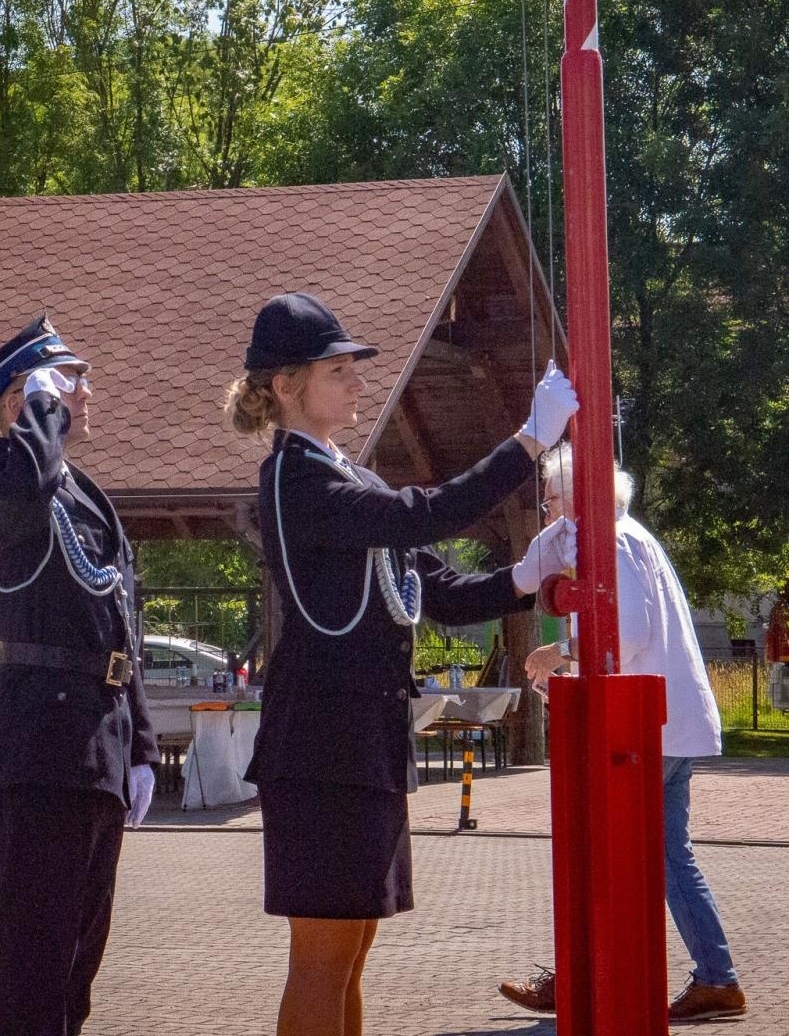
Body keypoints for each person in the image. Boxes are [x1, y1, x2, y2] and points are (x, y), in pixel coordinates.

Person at [224, 291, 579, 1036]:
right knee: (322, 955)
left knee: (353, 947)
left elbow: (439, 593)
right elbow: (428, 515)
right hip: (320, 747)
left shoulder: (351, 478)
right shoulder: (296, 478)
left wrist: (523, 579)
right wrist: (526, 443)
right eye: (338, 369)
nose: (358, 381)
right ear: (286, 386)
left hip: (361, 741)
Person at [500, 443, 746, 1023]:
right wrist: (560, 533)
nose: (545, 508)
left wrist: (557, 652)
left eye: (553, 496)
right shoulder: (621, 535)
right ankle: (714, 977)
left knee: (599, 848)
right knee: (667, 855)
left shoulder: (608, 542)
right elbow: (530, 570)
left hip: (640, 726)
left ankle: (584, 974)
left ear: (580, 496)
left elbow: (625, 633)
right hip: (668, 721)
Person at [0, 316, 160, 1036]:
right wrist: (39, 414)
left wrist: (140, 744)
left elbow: (121, 630)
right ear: (22, 400)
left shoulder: (89, 496)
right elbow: (21, 501)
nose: (86, 389)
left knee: (79, 955)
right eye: (68, 379)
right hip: (40, 742)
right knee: (31, 956)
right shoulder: (2, 474)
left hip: (96, 744)